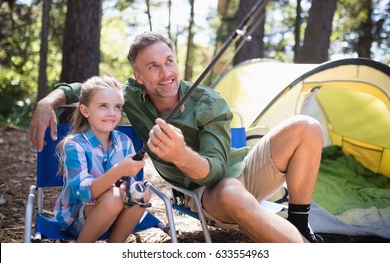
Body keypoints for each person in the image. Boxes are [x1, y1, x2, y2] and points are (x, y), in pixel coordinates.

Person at [30, 31, 323, 243]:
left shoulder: (208, 103)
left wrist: (181, 154)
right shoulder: (129, 97)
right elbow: (83, 90)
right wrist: (47, 102)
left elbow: (218, 168)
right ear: (139, 76)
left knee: (306, 126)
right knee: (232, 190)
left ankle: (299, 224)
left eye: (169, 61)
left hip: (233, 171)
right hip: (206, 192)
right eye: (153, 67)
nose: (166, 72)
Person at [52, 75, 150, 243]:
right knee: (113, 196)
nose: (112, 113)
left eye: (117, 107)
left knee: (142, 194)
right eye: (103, 106)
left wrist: (132, 188)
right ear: (85, 111)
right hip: (76, 218)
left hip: (116, 213)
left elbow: (127, 187)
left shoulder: (124, 142)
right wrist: (118, 170)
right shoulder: (74, 145)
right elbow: (82, 193)